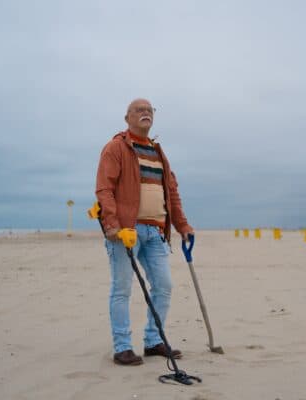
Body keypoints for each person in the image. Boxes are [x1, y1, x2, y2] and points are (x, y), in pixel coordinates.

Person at [95, 98, 194, 366]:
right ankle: (123, 347)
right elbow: (104, 188)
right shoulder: (116, 148)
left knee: (164, 286)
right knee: (122, 288)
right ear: (127, 117)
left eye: (150, 110)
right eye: (139, 110)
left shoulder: (159, 153)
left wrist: (182, 225)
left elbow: (171, 192)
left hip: (156, 230)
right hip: (126, 231)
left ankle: (153, 341)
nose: (145, 113)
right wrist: (112, 224)